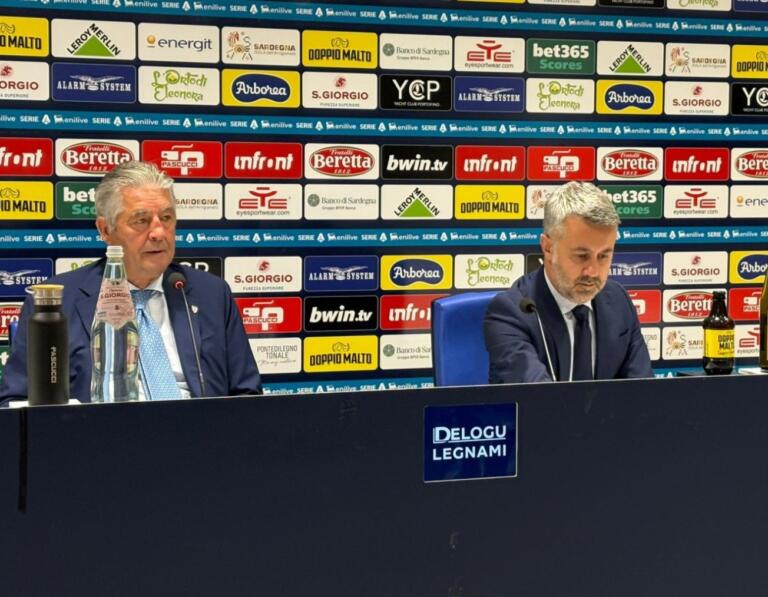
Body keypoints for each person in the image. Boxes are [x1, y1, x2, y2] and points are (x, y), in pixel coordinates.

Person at [0, 161, 261, 402]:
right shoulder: (57, 303)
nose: (158, 232)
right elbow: (17, 403)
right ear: (105, 230)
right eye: (141, 221)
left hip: (202, 432)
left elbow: (247, 395)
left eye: (166, 218)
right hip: (98, 434)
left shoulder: (211, 293)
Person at [484, 181, 653, 383]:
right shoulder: (513, 312)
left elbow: (642, 392)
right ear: (548, 248)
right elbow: (536, 398)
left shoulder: (618, 301)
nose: (593, 271)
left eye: (603, 256)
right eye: (581, 256)